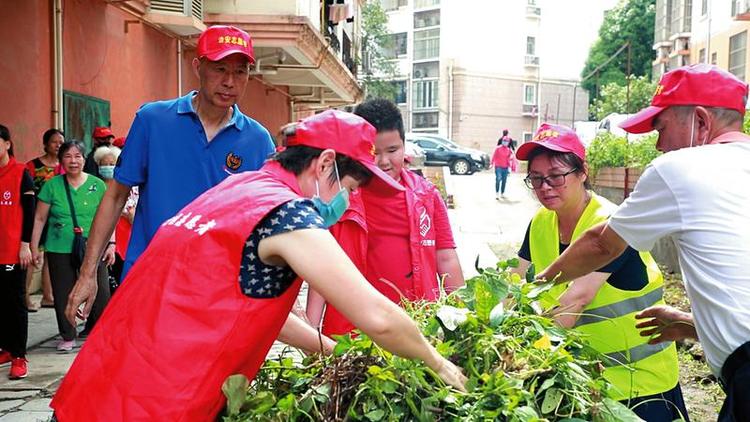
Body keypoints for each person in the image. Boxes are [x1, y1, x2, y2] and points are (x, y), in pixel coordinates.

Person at [50, 110, 467, 421]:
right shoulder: (287, 213)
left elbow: (243, 294)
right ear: (324, 165)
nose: (347, 202)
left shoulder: (239, 189)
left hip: (96, 388)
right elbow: (378, 316)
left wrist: (331, 350)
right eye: (350, 187)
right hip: (153, 404)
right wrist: (440, 365)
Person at [537, 64, 750, 421]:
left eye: (661, 127)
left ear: (700, 121)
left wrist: (535, 288)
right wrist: (694, 324)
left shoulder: (681, 169)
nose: (658, 144)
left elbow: (602, 245)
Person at [65, 25, 277, 322]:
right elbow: (115, 196)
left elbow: (268, 222)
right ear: (197, 66)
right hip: (150, 279)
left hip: (219, 291)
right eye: (219, 69)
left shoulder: (258, 141)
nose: (229, 81)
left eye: (240, 72)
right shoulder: (153, 120)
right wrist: (87, 274)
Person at [513, 123, 688, 421]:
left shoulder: (612, 225)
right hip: (584, 382)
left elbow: (575, 301)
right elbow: (516, 286)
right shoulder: (541, 223)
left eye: (556, 175)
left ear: (583, 173)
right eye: (536, 178)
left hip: (640, 385)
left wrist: (514, 356)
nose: (545, 186)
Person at [306, 98, 464, 337]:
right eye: (373, 152)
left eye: (393, 150)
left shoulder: (427, 195)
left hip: (418, 328)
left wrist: (463, 315)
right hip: (354, 335)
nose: (383, 161)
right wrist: (311, 331)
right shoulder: (340, 200)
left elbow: (446, 257)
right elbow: (321, 269)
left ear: (404, 145)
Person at [30, 141, 113, 352]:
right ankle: (68, 335)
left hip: (94, 246)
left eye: (77, 156)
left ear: (84, 160)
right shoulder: (52, 186)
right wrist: (33, 247)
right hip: (59, 246)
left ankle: (98, 331)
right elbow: (39, 219)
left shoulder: (98, 185)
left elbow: (108, 218)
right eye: (68, 156)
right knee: (63, 292)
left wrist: (112, 243)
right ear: (61, 161)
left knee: (101, 292)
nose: (73, 161)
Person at [0, 124, 35, 380]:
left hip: (13, 251)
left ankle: (19, 355)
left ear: (7, 144)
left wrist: (26, 245)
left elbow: (31, 213)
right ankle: (5, 348)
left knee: (15, 304)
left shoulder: (22, 172)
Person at [24, 128, 63, 311]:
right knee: (32, 256)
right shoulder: (32, 166)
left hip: (57, 217)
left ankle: (49, 296)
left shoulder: (64, 166)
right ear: (46, 144)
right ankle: (25, 296)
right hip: (36, 216)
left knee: (51, 257)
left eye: (61, 142)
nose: (58, 145)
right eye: (54, 141)